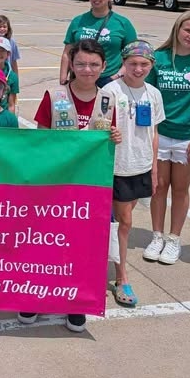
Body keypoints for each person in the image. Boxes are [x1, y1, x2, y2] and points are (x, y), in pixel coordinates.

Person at [28, 38, 122, 331]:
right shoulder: (55, 96)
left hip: (89, 188)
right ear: (71, 64)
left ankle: (74, 301)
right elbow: (40, 140)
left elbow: (108, 143)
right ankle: (35, 295)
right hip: (55, 186)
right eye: (80, 63)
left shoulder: (108, 101)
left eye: (94, 64)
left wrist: (115, 137)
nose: (87, 69)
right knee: (45, 244)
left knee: (81, 247)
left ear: (104, 66)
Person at [143, 11, 190, 265]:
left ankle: (174, 239)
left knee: (180, 189)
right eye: (188, 31)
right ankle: (157, 236)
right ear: (177, 29)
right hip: (160, 134)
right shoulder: (160, 58)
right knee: (158, 187)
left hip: (188, 137)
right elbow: (147, 95)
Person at [100, 41, 164, 308]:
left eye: (144, 64)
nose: (138, 69)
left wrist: (154, 168)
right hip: (116, 166)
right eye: (133, 63)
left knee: (122, 223)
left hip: (140, 166)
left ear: (151, 66)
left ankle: (117, 270)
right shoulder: (110, 91)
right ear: (123, 63)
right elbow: (99, 127)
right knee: (120, 222)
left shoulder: (154, 94)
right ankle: (122, 276)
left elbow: (154, 133)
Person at [61, 0, 137, 88]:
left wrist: (117, 76)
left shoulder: (123, 23)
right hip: (81, 77)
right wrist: (63, 79)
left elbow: (133, 55)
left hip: (110, 79)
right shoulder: (78, 21)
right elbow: (67, 53)